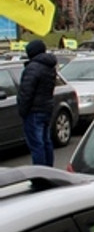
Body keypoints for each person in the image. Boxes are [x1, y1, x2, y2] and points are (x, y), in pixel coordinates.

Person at [17, 39, 57, 167]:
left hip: (33, 111)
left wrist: (22, 110)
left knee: (36, 145)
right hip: (46, 108)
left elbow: (26, 92)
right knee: (46, 142)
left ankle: (40, 176)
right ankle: (49, 172)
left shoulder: (32, 68)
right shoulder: (49, 67)